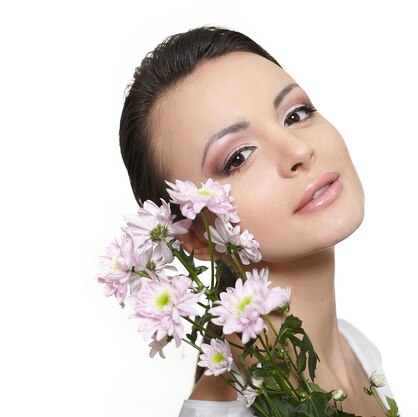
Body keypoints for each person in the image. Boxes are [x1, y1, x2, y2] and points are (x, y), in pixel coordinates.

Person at [118, 25, 394, 417]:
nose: (298, 149)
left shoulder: (360, 354)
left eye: (296, 114)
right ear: (194, 234)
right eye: (239, 157)